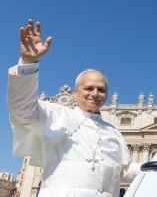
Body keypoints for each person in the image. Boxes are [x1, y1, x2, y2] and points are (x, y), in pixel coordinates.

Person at [7, 19, 141, 197]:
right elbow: (22, 108)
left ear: (107, 95)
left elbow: (124, 170)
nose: (95, 93)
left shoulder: (113, 132)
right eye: (89, 88)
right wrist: (28, 62)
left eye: (101, 90)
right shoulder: (57, 115)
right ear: (75, 93)